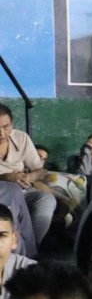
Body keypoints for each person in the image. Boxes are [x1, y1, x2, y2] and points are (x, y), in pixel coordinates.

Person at [0, 105, 57, 249]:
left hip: (23, 189)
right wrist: (6, 177)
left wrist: (30, 177)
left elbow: (39, 170)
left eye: (6, 127)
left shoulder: (21, 138)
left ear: (12, 124)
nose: (2, 133)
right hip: (3, 193)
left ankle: (30, 248)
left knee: (46, 200)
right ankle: (13, 250)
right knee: (11, 193)